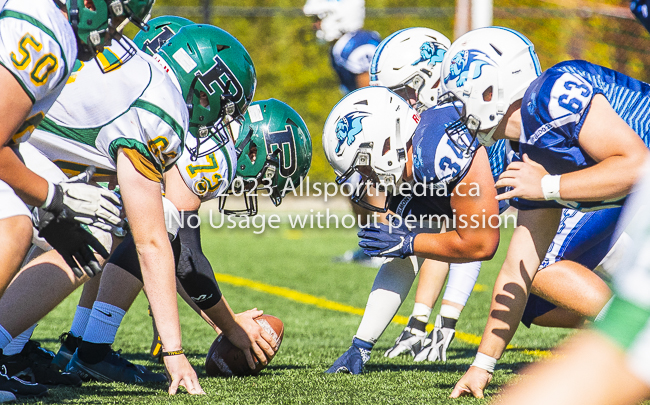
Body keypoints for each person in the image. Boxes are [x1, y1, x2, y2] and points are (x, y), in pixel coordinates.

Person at [0, 23, 256, 396]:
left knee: (90, 211)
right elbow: (152, 240)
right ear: (205, 93)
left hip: (21, 143)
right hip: (14, 147)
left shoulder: (132, 64)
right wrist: (174, 351)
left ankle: (15, 349)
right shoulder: (160, 108)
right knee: (97, 227)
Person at [440, 27, 650, 399]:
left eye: (460, 101)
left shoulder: (551, 91)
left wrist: (550, 187)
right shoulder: (526, 149)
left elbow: (636, 165)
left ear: (490, 89)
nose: (459, 113)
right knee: (538, 282)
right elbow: (518, 266)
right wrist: (482, 366)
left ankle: (629, 339)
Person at [0, 0, 151, 399]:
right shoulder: (47, 32)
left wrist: (55, 206)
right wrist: (55, 196)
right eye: (117, 19)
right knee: (14, 228)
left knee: (33, 224)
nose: (116, 34)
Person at [322, 85, 501, 374]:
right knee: (540, 307)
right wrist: (362, 344)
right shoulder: (411, 164)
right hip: (537, 202)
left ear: (385, 145)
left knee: (544, 283)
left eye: (365, 168)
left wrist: (410, 242)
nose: (367, 180)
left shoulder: (436, 151)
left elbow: (480, 244)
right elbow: (402, 261)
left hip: (558, 189)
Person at [493, 162, 650, 405]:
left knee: (535, 264)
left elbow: (624, 149)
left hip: (609, 175)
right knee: (530, 305)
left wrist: (548, 185)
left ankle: (629, 332)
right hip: (612, 182)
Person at [303, 0, 385, 266]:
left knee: (372, 181)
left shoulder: (356, 45)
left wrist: (367, 132)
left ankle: (385, 246)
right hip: (361, 123)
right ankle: (371, 244)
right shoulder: (343, 45)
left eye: (320, 17)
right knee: (353, 186)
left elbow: (371, 94)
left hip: (375, 123)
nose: (316, 24)